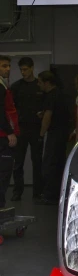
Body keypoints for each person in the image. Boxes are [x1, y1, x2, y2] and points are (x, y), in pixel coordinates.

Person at [35, 71, 72, 205]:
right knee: (59, 162)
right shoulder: (62, 94)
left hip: (54, 133)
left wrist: (41, 134)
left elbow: (48, 117)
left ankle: (49, 194)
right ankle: (57, 192)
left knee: (49, 163)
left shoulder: (50, 96)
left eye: (39, 82)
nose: (38, 85)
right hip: (63, 133)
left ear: (47, 82)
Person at [10, 56, 43, 201]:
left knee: (37, 161)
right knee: (18, 162)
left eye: (25, 69)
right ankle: (17, 192)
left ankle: (37, 192)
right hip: (21, 129)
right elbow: (11, 108)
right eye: (21, 70)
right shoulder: (16, 87)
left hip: (36, 128)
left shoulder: (39, 86)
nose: (23, 72)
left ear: (32, 68)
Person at [0, 56, 19, 209]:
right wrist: (9, 132)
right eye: (4, 66)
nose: (8, 69)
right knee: (4, 173)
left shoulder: (3, 85)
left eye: (8, 66)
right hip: (2, 137)